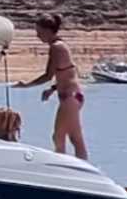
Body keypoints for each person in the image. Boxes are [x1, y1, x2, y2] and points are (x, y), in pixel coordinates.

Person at [13, 13, 87, 160]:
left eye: (39, 32)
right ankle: (84, 170)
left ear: (48, 31)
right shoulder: (61, 45)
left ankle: (63, 169)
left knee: (58, 137)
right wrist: (53, 89)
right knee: (74, 137)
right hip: (73, 96)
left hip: (70, 98)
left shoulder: (56, 47)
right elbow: (67, 72)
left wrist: (26, 85)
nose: (37, 36)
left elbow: (48, 75)